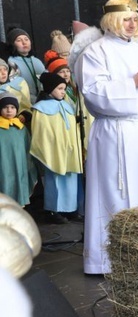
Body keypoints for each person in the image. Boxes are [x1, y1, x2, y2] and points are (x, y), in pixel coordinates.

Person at [74, 0, 138, 275]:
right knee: (114, 193)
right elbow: (93, 93)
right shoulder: (95, 52)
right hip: (113, 133)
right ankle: (109, 260)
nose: (132, 24)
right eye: (126, 19)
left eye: (135, 20)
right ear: (112, 21)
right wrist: (134, 83)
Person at [30, 73, 83, 224]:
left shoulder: (67, 106)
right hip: (54, 151)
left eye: (64, 89)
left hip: (69, 150)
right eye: (59, 88)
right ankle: (54, 210)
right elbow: (41, 133)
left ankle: (71, 209)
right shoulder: (40, 109)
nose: (63, 92)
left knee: (71, 179)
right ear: (50, 88)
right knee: (55, 181)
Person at [0, 94, 31, 206]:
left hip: (18, 167)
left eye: (12, 107)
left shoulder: (21, 129)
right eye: (5, 107)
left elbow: (28, 149)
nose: (9, 110)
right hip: (3, 167)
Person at [7, 27, 45, 104]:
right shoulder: (11, 62)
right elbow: (16, 87)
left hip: (42, 101)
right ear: (12, 44)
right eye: (19, 40)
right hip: (25, 103)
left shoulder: (37, 61)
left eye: (26, 39)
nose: (24, 42)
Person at [0, 58, 31, 122]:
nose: (3, 73)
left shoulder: (17, 85)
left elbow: (26, 106)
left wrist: (24, 115)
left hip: (17, 124)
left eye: (5, 69)